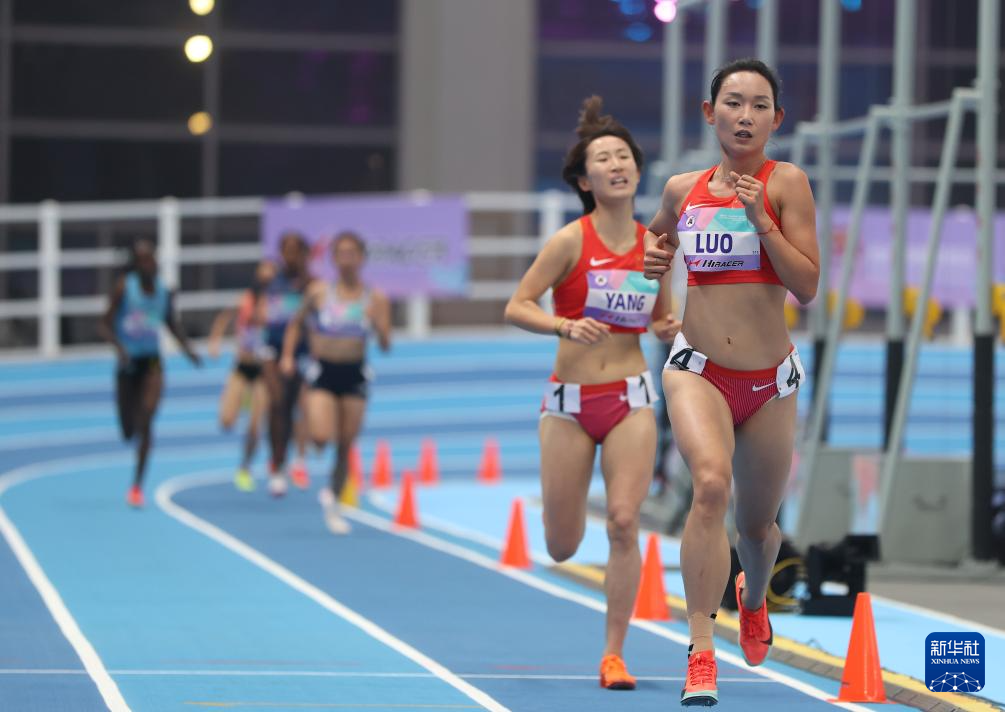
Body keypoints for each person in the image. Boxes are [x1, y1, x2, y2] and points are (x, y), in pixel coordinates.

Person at [643, 58, 819, 707]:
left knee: (757, 527)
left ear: (776, 119)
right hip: (697, 370)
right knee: (710, 485)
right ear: (708, 112)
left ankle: (753, 596)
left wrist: (760, 218)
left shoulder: (785, 182)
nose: (745, 116)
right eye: (733, 103)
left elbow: (806, 285)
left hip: (769, 383)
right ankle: (700, 650)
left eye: (758, 105)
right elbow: (650, 247)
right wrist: (658, 290)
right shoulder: (681, 189)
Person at [504, 96, 679, 691]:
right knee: (562, 544)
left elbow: (659, 316)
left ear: (637, 170)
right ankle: (563, 524)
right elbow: (516, 305)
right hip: (570, 406)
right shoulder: (568, 242)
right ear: (585, 180)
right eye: (602, 158)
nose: (616, 164)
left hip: (630, 399)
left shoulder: (654, 245)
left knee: (625, 522)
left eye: (623, 155)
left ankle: (613, 654)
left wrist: (669, 327)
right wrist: (563, 325)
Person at [281, 231, 391, 534]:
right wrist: (288, 356)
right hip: (324, 371)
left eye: (352, 253)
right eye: (341, 253)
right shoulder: (319, 292)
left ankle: (332, 502)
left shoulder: (375, 298)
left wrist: (377, 323)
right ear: (333, 259)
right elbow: (295, 324)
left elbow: (385, 344)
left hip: (354, 373)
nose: (346, 259)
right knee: (321, 436)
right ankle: (305, 436)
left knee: (345, 444)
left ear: (361, 258)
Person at [99, 239, 202, 508]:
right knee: (128, 430)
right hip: (128, 362)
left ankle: (137, 486)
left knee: (147, 418)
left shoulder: (164, 292)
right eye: (143, 260)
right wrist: (119, 348)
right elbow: (104, 324)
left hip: (153, 361)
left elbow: (171, 324)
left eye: (151, 258)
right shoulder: (125, 287)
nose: (149, 264)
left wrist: (188, 351)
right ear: (136, 264)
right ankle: (133, 425)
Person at [207, 260, 275, 492]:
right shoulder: (244, 300)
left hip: (263, 373)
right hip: (241, 367)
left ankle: (245, 468)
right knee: (226, 421)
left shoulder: (275, 304)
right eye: (262, 278)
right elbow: (224, 317)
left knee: (255, 426)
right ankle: (237, 404)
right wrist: (215, 341)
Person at [261, 232, 313, 496]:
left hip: (302, 352)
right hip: (272, 348)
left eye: (295, 251)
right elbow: (255, 305)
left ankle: (298, 459)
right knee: (277, 403)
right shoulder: (270, 279)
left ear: (304, 254)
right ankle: (277, 465)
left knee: (296, 407)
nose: (290, 256)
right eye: (286, 250)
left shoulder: (312, 284)